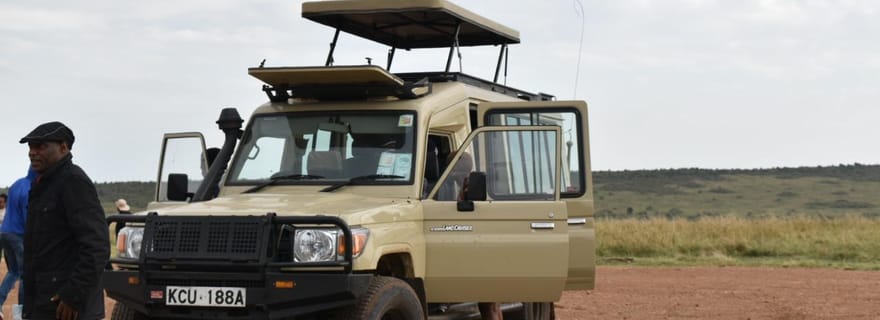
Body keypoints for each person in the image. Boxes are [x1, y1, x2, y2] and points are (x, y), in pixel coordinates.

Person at [18, 121, 109, 320]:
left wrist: (73, 295)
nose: (33, 152)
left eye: (41, 146)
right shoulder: (42, 185)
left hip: (68, 307)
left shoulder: (73, 181)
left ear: (63, 147)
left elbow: (96, 245)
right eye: (30, 147)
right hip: (45, 300)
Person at [0, 169, 35, 313]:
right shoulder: (30, 187)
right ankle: (22, 310)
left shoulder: (16, 184)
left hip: (4, 232)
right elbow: (28, 217)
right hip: (18, 234)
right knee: (25, 273)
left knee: (13, 271)